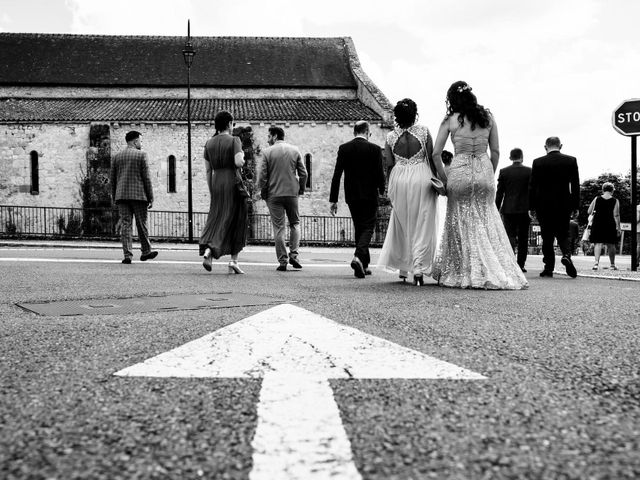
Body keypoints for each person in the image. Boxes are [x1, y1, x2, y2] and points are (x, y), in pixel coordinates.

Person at [431, 81, 527, 289]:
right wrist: (489, 174)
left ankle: (462, 271)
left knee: (459, 220)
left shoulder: (451, 120)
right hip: (484, 169)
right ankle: (491, 269)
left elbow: (436, 153)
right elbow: (496, 152)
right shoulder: (488, 117)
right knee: (486, 221)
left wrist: (445, 179)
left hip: (459, 171)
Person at [377, 98, 446, 286]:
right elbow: (432, 158)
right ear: (414, 114)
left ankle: (403, 269)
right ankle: (418, 268)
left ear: (397, 116)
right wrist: (440, 181)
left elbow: (389, 165)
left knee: (403, 223)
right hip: (421, 177)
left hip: (399, 179)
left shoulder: (391, 137)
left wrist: (389, 188)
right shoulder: (423, 132)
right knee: (422, 223)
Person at [329, 121, 386, 278]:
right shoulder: (374, 149)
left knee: (359, 227)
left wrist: (333, 199)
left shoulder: (344, 148)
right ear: (367, 132)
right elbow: (380, 174)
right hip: (369, 195)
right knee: (368, 228)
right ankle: (358, 257)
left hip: (352, 195)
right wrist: (382, 190)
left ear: (355, 132)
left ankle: (363, 265)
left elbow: (337, 174)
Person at [199, 111, 248, 274]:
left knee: (217, 216)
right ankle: (215, 250)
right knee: (234, 218)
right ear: (229, 124)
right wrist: (243, 156)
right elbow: (238, 162)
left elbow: (207, 170)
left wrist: (212, 189)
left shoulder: (209, 143)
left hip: (216, 182)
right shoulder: (235, 140)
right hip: (231, 181)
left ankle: (216, 252)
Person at [529, 136, 580, 278]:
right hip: (564, 203)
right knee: (564, 233)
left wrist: (531, 206)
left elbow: (533, 186)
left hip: (543, 204)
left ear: (545, 147)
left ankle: (548, 268)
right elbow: (575, 184)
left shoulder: (538, 162)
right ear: (561, 146)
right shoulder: (571, 160)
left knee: (547, 236)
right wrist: (575, 205)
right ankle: (567, 255)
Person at [257, 126, 307, 271]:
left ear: (274, 136)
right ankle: (294, 255)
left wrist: (263, 191)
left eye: (268, 136)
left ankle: (283, 261)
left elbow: (262, 177)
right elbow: (304, 174)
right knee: (295, 224)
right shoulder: (295, 150)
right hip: (292, 193)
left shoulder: (267, 152)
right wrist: (301, 189)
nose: (267, 140)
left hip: (274, 194)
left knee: (279, 228)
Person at [110, 130, 158, 264]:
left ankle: (127, 255)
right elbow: (146, 178)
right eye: (140, 141)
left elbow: (113, 180)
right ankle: (146, 252)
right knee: (141, 224)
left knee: (126, 225)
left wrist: (115, 197)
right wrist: (151, 197)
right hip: (138, 196)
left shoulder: (117, 157)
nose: (141, 143)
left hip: (122, 196)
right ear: (135, 141)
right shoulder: (141, 155)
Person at [495, 148, 532, 272]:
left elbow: (500, 192)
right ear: (522, 157)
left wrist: (496, 207)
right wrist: (532, 208)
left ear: (510, 158)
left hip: (508, 208)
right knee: (523, 238)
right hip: (524, 209)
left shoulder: (504, 172)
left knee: (510, 235)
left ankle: (511, 262)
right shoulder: (529, 171)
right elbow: (532, 192)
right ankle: (521, 264)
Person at [587, 182, 621, 270]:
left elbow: (589, 211)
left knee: (598, 243)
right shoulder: (615, 200)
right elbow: (616, 215)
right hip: (610, 223)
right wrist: (618, 227)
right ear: (612, 190)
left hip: (598, 223)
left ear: (603, 189)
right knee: (611, 244)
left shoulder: (596, 199)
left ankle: (596, 263)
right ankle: (612, 265)